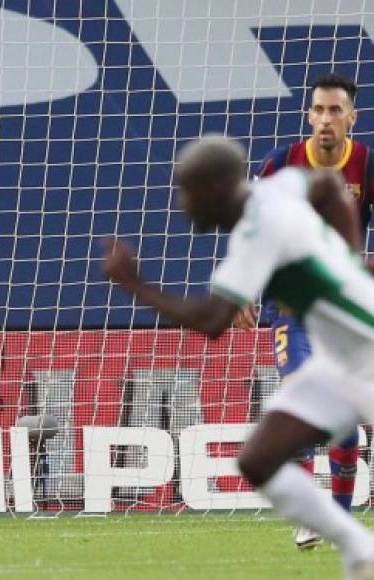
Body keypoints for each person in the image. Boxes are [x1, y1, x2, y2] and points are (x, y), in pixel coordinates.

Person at [104, 136, 374, 578]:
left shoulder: (257, 230)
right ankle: (360, 548)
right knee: (257, 459)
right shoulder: (282, 185)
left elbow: (212, 320)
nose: (182, 202)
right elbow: (327, 185)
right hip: (338, 364)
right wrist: (349, 255)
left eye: (186, 190)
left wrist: (135, 286)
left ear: (215, 188)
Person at [244, 73, 374, 548]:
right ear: (308, 115)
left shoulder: (366, 165)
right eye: (318, 110)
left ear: (351, 118)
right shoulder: (281, 164)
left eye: (335, 110)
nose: (325, 119)